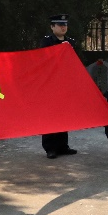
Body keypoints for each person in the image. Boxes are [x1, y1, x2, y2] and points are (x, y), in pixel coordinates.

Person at [40, 14, 78, 159]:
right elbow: (43, 60)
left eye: (65, 25)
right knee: (50, 115)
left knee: (64, 115)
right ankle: (50, 148)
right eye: (60, 25)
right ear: (52, 27)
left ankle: (63, 146)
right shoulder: (47, 42)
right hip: (50, 84)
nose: (63, 27)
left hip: (65, 84)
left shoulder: (71, 42)